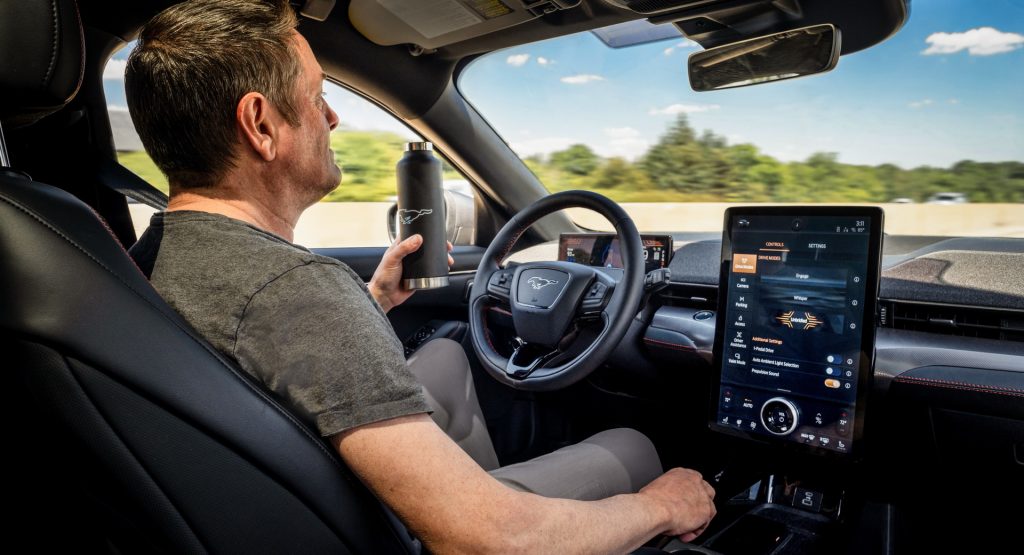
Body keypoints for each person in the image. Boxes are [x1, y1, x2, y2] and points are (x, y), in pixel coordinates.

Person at [125, 0, 716, 552]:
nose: (332, 118)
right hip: (412, 536)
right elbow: (486, 540)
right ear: (259, 124)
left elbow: (255, 355)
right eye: (316, 98)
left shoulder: (154, 251)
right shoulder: (295, 289)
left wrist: (369, 303)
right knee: (633, 445)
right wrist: (659, 509)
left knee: (449, 356)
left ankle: (473, 483)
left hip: (279, 502)